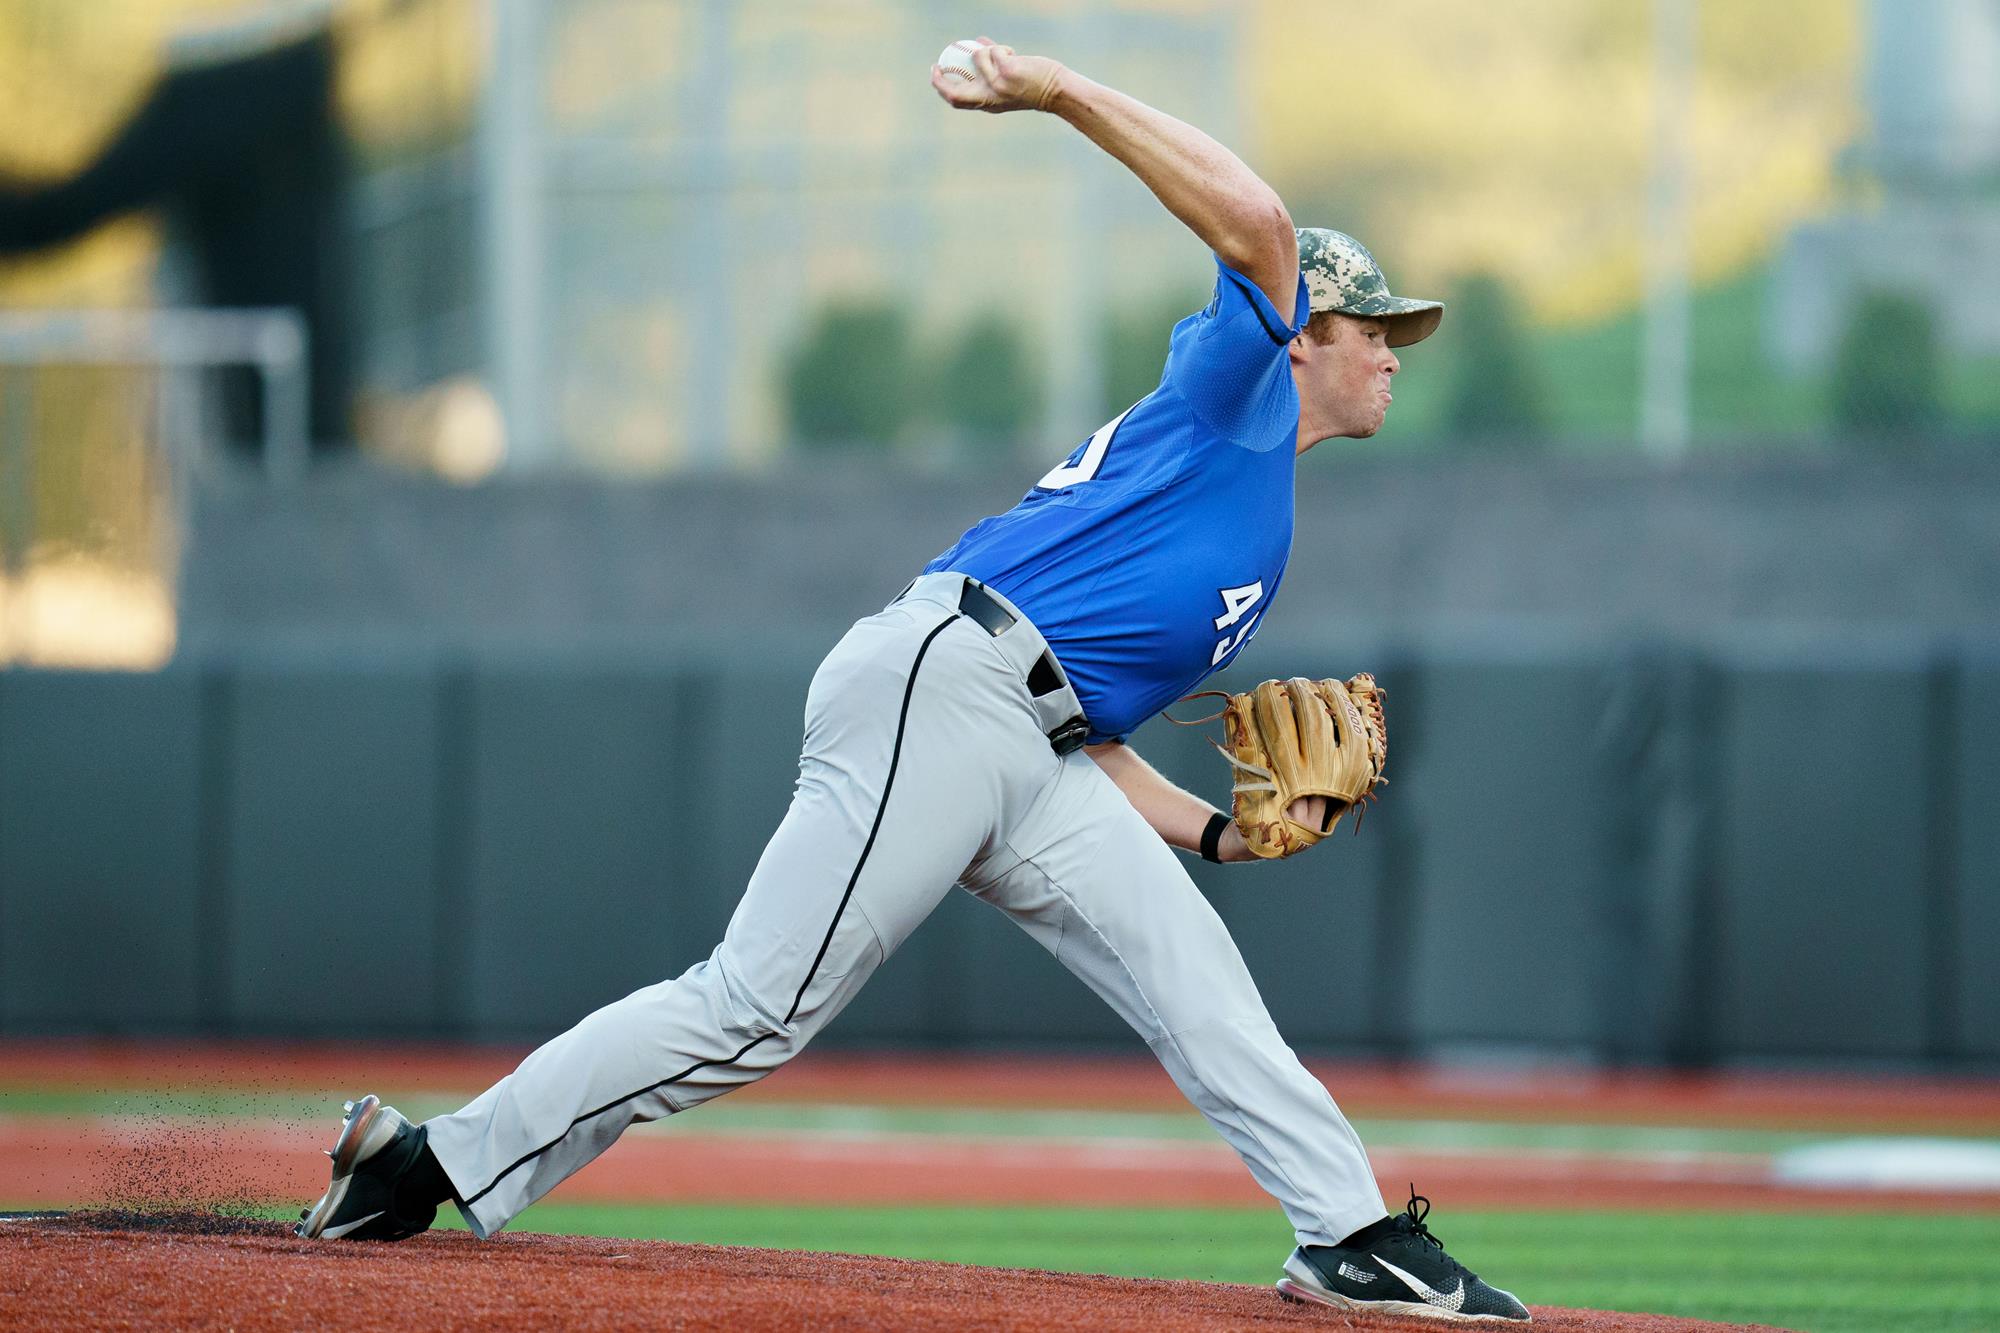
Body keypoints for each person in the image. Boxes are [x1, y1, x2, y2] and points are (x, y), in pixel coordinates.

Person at [297, 38, 1528, 1323]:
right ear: (1298, 335)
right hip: (944, 686)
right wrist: (1057, 91)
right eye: (1369, 325)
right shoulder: (1236, 395)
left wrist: (1216, 832)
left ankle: (1348, 1231)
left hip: (1027, 735)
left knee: (1192, 975)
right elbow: (1262, 221)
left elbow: (1090, 731)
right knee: (754, 1008)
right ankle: (427, 1158)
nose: (1393, 350)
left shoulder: (1245, 502)